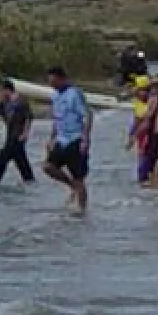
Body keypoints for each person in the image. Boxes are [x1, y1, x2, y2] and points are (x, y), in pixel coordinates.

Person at [42, 66, 92, 212]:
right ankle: (71, 186)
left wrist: (85, 139)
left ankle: (82, 210)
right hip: (61, 139)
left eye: (54, 81)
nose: (52, 84)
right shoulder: (55, 96)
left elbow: (87, 115)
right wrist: (51, 138)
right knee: (48, 167)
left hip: (75, 139)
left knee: (79, 178)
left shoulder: (75, 94)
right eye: (50, 82)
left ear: (62, 78)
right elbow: (56, 119)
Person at [0, 79, 35, 184]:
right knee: (21, 162)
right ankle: (30, 181)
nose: (0, 94)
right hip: (10, 136)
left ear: (7, 90)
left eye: (1, 91)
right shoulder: (4, 103)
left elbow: (28, 118)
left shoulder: (20, 102)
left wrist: (25, 133)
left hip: (18, 136)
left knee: (4, 158)